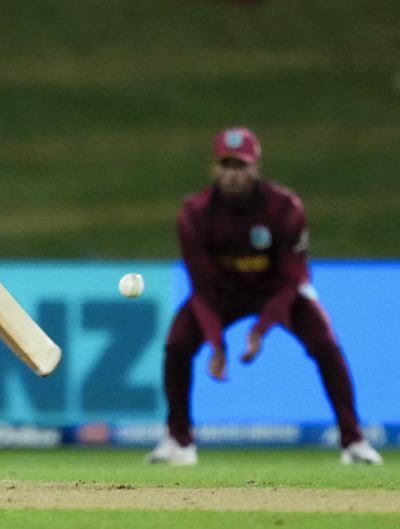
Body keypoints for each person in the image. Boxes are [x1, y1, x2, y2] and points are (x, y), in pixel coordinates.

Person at [147, 127, 383, 467]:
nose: (232, 175)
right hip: (224, 292)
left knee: (325, 344)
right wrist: (217, 344)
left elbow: (292, 280)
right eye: (225, 166)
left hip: (277, 290)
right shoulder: (194, 213)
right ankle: (179, 441)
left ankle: (354, 441)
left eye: (240, 166)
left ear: (256, 168)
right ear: (214, 169)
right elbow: (203, 286)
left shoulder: (285, 207)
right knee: (178, 344)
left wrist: (260, 330)